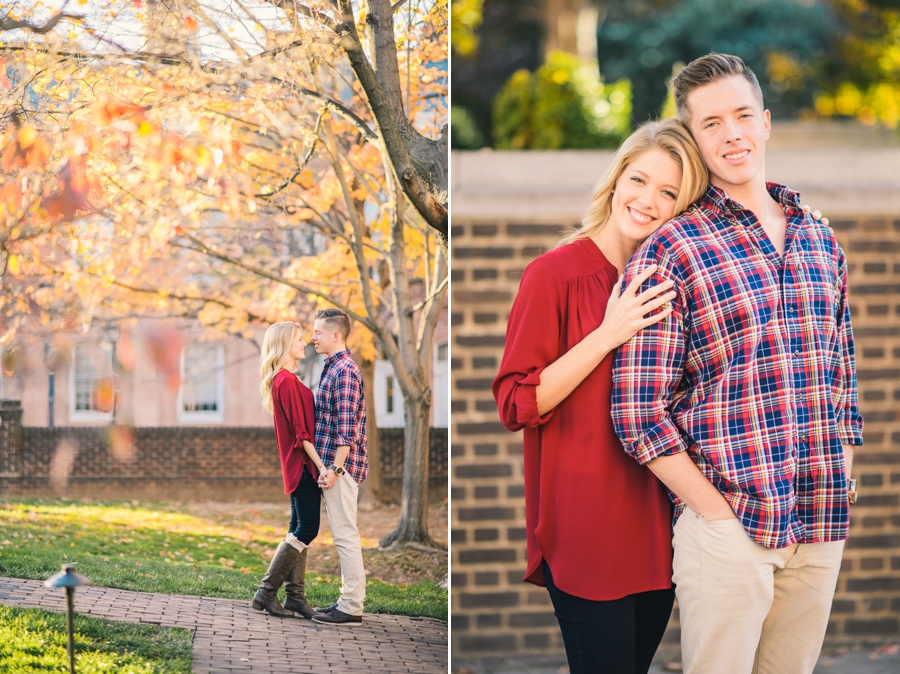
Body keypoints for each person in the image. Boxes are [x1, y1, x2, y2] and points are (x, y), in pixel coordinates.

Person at [612, 53, 863, 674]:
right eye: (712, 123)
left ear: (767, 122)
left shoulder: (818, 237)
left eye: (742, 116)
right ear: (694, 140)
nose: (732, 134)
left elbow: (842, 380)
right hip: (730, 527)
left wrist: (845, 475)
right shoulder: (672, 248)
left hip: (819, 515)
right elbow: (637, 410)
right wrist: (715, 511)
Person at [492, 119, 708, 674]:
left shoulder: (671, 283)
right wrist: (607, 334)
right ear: (616, 180)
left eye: (669, 193)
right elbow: (517, 403)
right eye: (639, 180)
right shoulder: (554, 275)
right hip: (586, 528)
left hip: (660, 525)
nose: (648, 201)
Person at [252, 322, 326, 619]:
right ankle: (266, 592)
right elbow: (302, 435)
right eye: (298, 339)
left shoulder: (286, 379)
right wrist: (322, 466)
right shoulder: (285, 381)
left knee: (299, 530)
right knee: (307, 529)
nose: (305, 342)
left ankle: (295, 596)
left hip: (300, 466)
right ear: (284, 344)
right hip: (304, 467)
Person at [308, 307, 369, 626]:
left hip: (340, 468)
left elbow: (347, 430)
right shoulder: (332, 368)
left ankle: (351, 606)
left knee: (346, 535)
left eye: (317, 332)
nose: (312, 337)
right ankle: (348, 600)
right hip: (332, 466)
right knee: (343, 534)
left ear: (335, 335)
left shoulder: (344, 370)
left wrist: (335, 469)